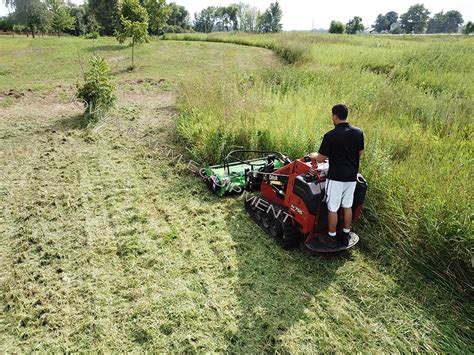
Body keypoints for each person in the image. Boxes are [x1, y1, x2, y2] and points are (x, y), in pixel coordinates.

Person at [309, 104, 364, 246]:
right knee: (347, 205)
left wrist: (313, 155)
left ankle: (331, 237)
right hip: (352, 177)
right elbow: (359, 153)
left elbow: (321, 158)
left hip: (336, 177)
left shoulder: (330, 135)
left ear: (334, 116)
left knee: (332, 207)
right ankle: (345, 234)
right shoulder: (358, 132)